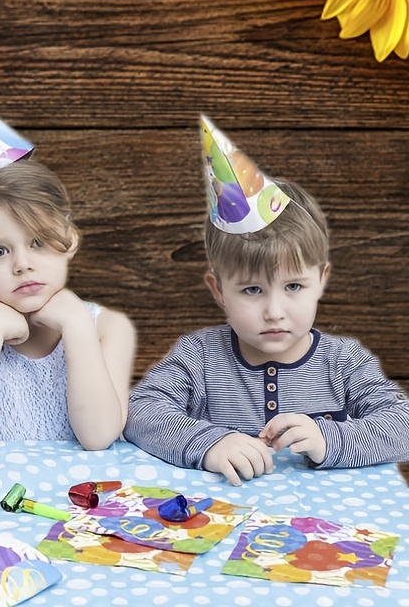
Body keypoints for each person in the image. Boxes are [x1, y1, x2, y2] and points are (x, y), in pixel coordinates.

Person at [125, 115, 409, 485]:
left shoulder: (343, 363)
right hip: (223, 523)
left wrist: (330, 439)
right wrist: (211, 443)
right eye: (252, 290)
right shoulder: (200, 357)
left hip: (327, 530)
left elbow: (403, 425)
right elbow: (140, 412)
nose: (274, 312)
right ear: (218, 290)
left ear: (321, 281)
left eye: (293, 287)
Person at [0, 79, 135, 448]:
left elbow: (99, 436)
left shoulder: (107, 327)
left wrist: (76, 326)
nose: (21, 265)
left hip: (76, 500)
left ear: (70, 240)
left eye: (37, 242)